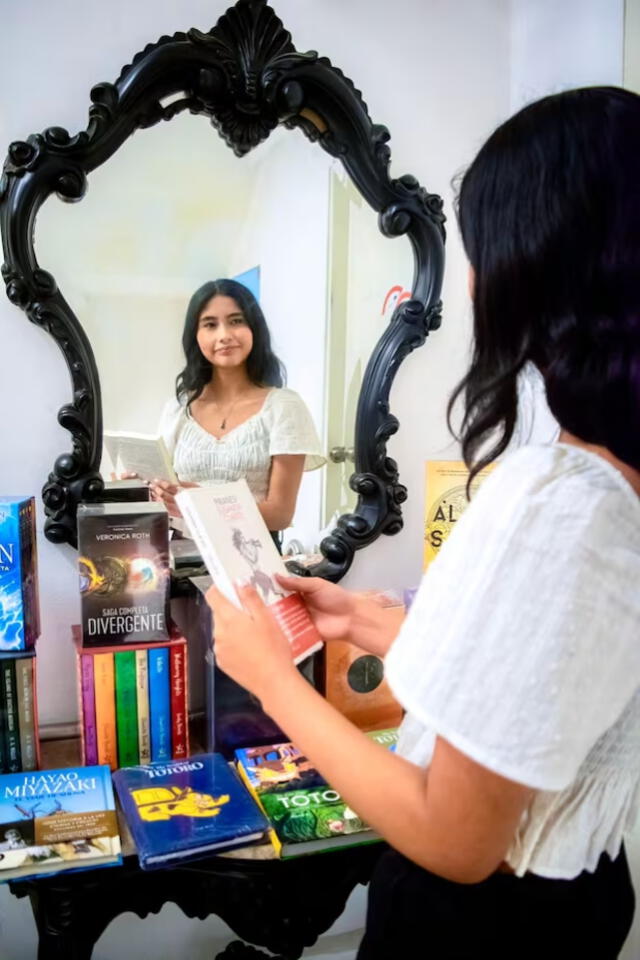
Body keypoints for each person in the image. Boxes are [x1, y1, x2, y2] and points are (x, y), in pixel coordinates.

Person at [206, 86, 640, 959]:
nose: (471, 280)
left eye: (479, 249)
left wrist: (274, 682)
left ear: (537, 263)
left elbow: (455, 837)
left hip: (481, 925)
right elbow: (533, 688)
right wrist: (367, 620)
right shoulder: (611, 480)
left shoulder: (557, 502)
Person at [149, 278, 324, 540]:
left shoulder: (284, 407)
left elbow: (280, 514)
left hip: (253, 557)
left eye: (236, 321)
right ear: (196, 336)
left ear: (254, 328)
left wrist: (202, 504)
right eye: (210, 324)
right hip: (183, 553)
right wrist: (149, 488)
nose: (224, 335)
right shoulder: (179, 408)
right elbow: (167, 495)